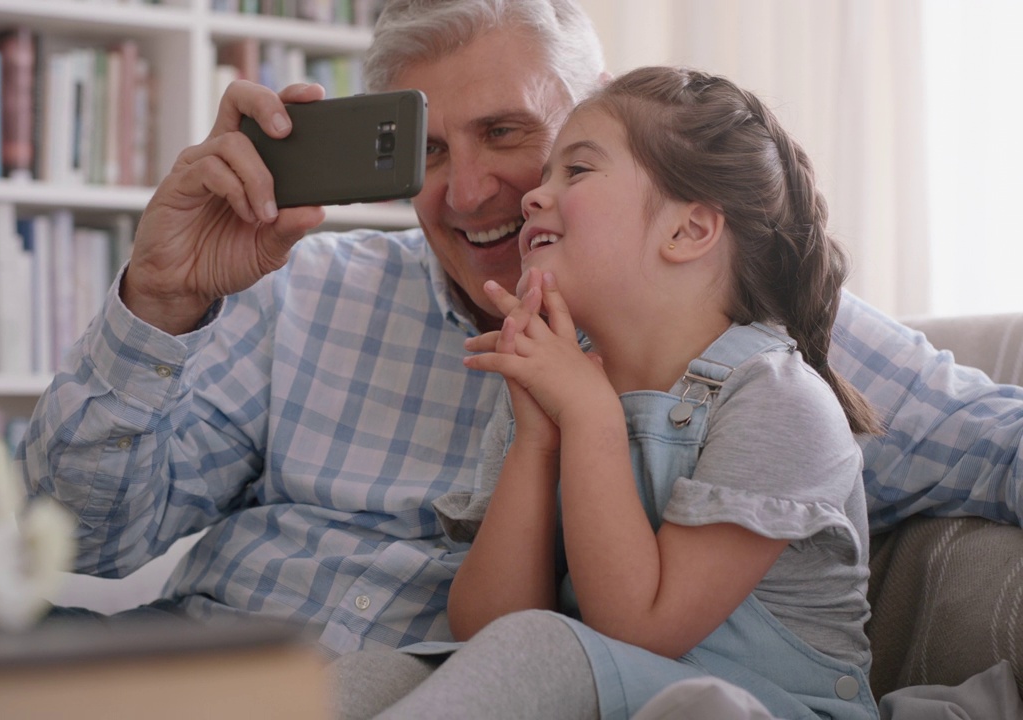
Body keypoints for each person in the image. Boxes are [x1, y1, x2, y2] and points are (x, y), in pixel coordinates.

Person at [21, 0, 1023, 660]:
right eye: (426, 151)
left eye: (512, 136)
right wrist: (158, 305)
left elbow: (989, 445)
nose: (468, 191)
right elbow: (82, 541)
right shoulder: (298, 289)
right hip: (189, 659)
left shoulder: (739, 340)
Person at [332, 64, 881, 720]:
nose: (534, 197)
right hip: (595, 690)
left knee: (544, 648)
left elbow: (640, 626)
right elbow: (483, 631)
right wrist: (535, 440)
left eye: (578, 171)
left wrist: (590, 419)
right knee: (380, 673)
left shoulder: (779, 404)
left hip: (757, 708)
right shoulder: (555, 384)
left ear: (689, 231)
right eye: (546, 174)